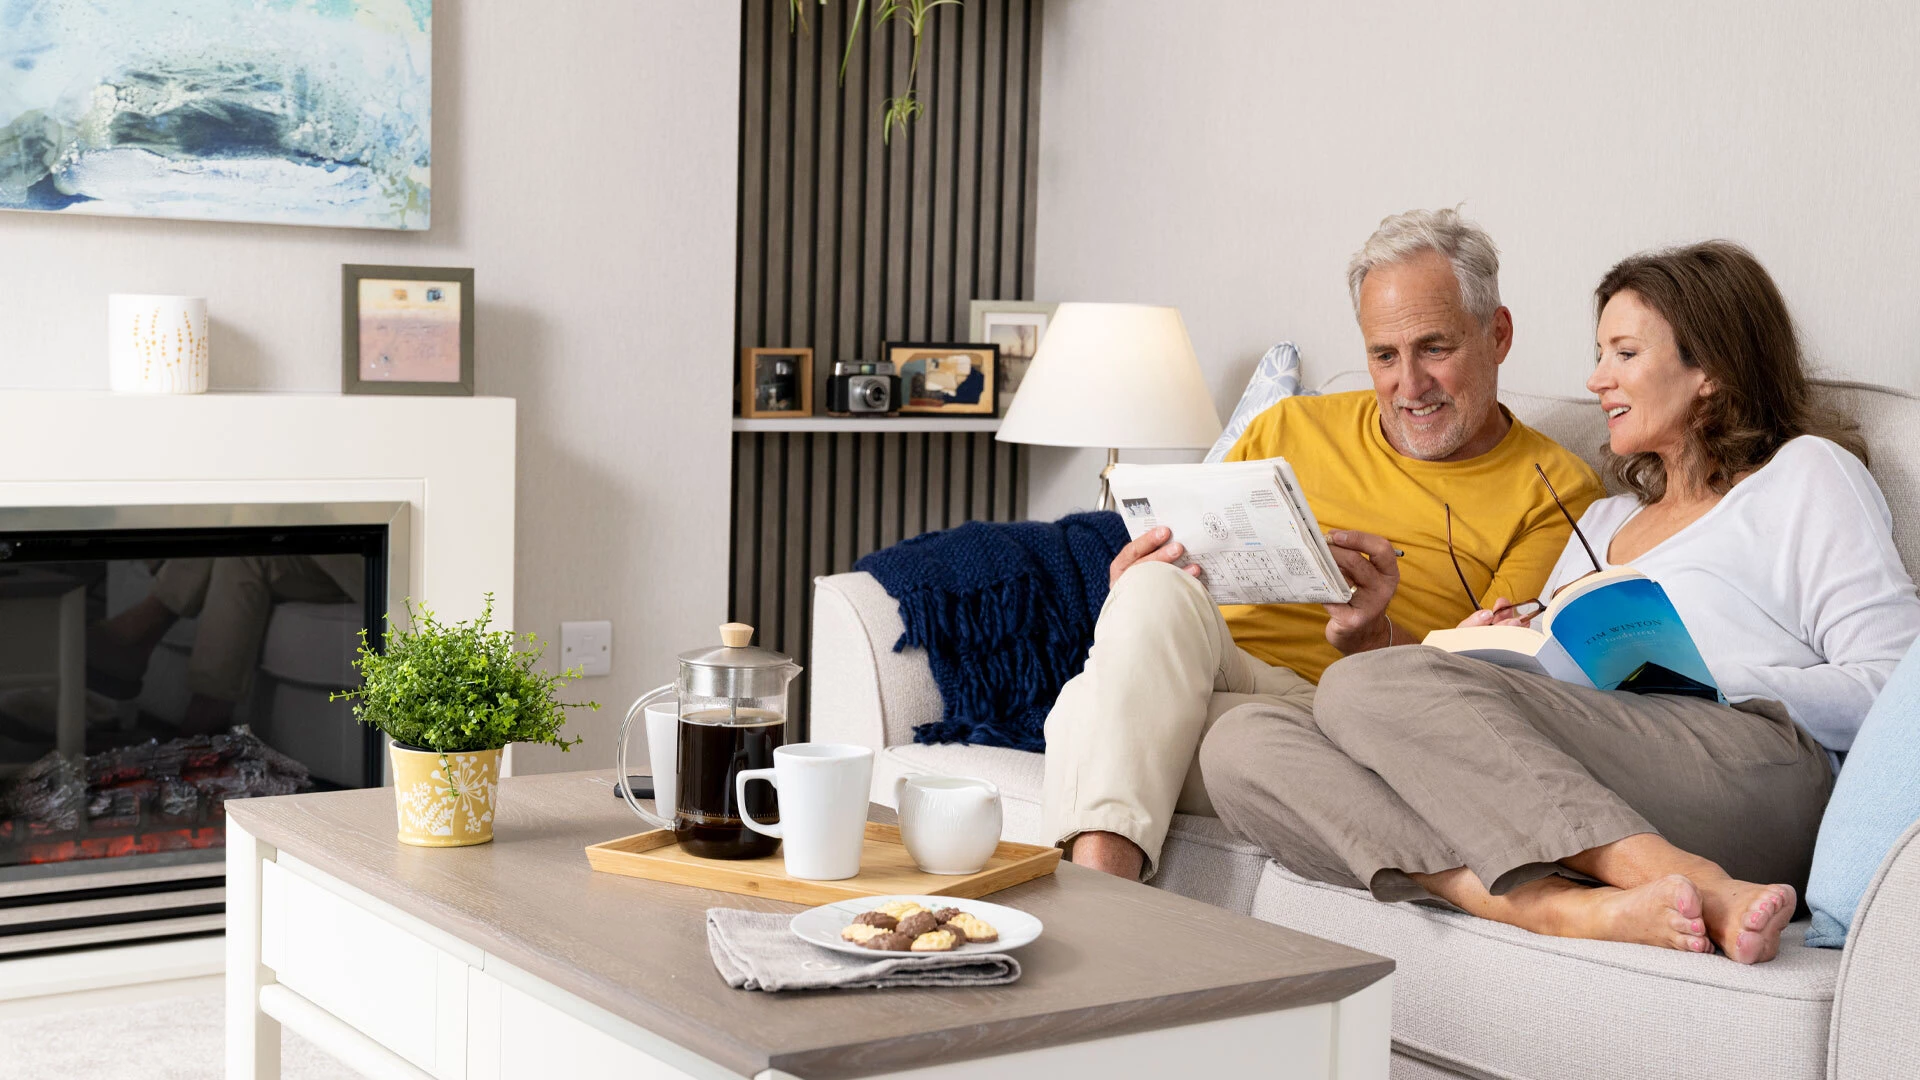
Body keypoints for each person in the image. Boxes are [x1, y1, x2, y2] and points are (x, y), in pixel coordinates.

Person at [1202, 241, 1920, 964]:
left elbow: (1890, 683)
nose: (1596, 378)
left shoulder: (1803, 476)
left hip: (1755, 767)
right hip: (1603, 768)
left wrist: (1696, 680)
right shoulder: (1603, 521)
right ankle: (1562, 906)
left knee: (1367, 683)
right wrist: (1494, 653)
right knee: (1240, 747)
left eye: (1624, 353)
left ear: (1711, 371)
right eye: (1599, 353)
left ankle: (1687, 879)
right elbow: (1529, 707)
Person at [1045, 208, 1605, 882]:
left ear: (1498, 334)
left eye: (1435, 347)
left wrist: (1376, 638)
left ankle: (1097, 902)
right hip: (1209, 670)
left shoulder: (1554, 489)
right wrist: (1137, 585)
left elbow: (1486, 692)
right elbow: (1171, 609)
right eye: (1383, 355)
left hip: (1341, 720)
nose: (1410, 385)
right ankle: (1109, 907)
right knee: (1151, 588)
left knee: (1093, 710)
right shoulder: (1290, 426)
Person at [87, 555, 364, 734]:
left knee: (255, 506)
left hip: (392, 550)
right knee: (242, 552)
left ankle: (136, 632)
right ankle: (204, 726)